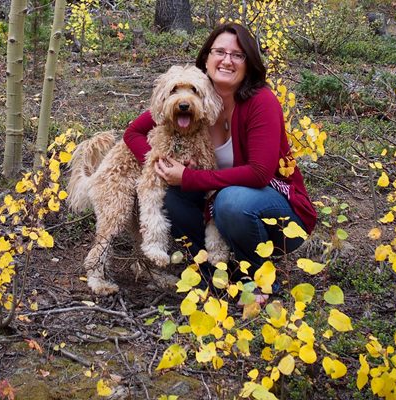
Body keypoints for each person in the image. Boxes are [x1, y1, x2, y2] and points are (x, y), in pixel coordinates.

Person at [123, 22, 317, 292]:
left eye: (238, 55)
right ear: (206, 57)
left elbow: (260, 173)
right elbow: (133, 133)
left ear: (249, 63)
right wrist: (162, 163)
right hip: (216, 204)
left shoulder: (261, 102)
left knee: (231, 200)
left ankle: (255, 278)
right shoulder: (190, 94)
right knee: (166, 191)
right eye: (219, 52)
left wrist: (190, 177)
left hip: (277, 212)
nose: (227, 60)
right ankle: (209, 270)